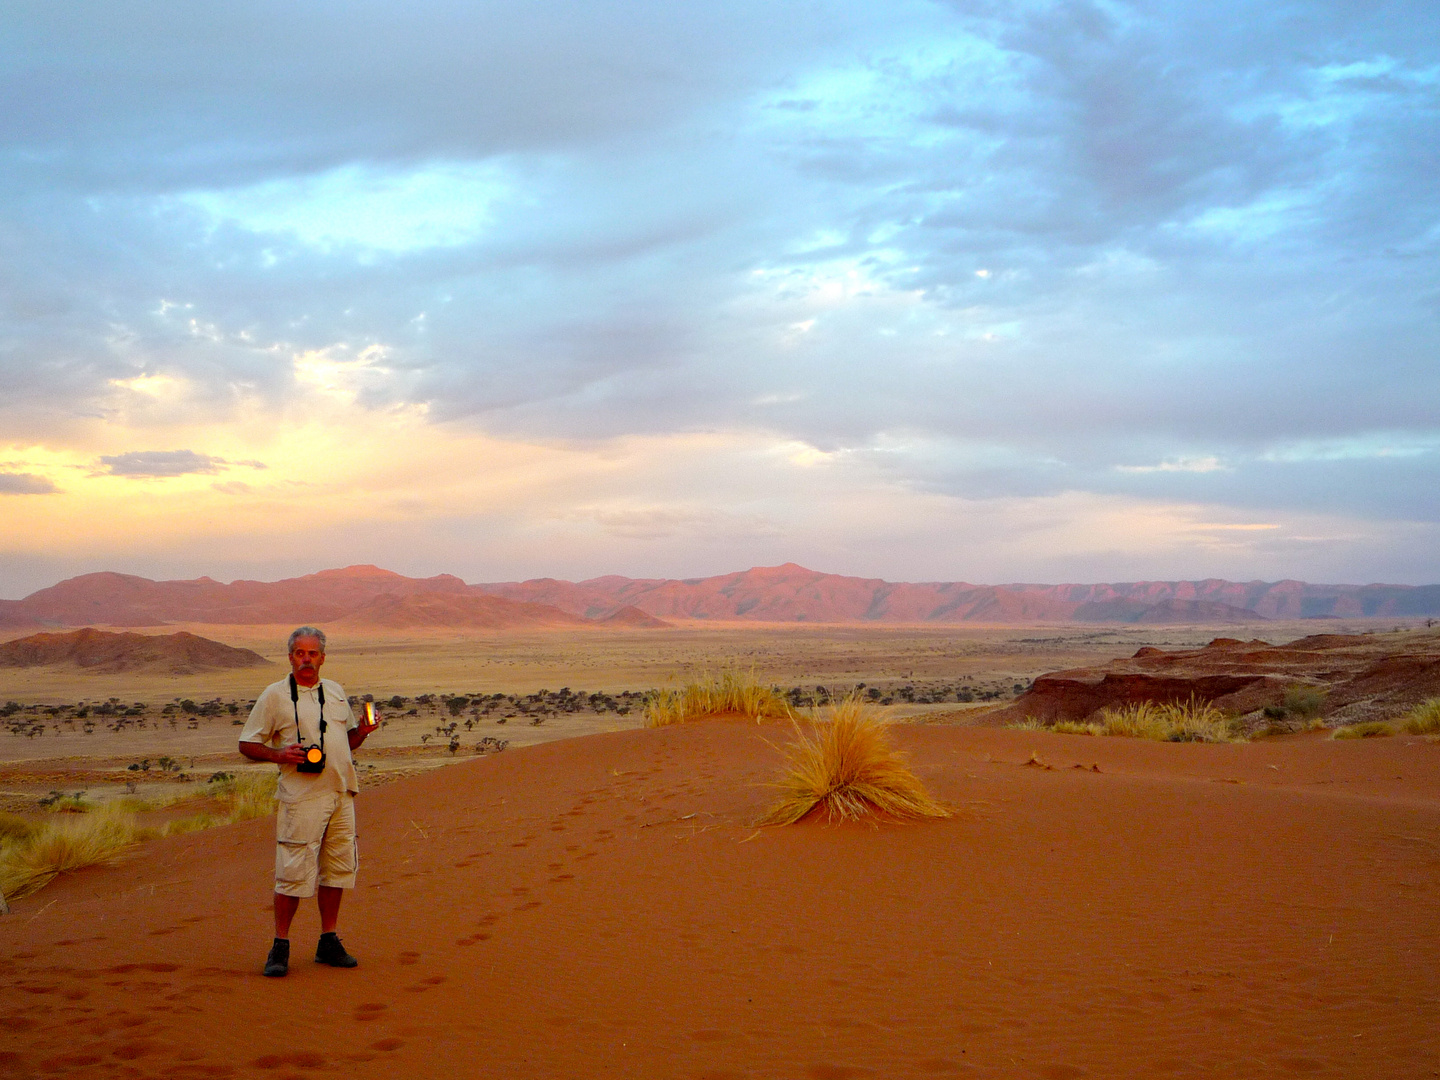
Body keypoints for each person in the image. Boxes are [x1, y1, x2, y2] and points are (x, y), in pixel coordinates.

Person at [239, 626, 378, 977]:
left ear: (323, 658)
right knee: (292, 871)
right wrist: (279, 754)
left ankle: (328, 940)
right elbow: (246, 743)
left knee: (337, 870)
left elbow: (346, 742)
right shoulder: (274, 695)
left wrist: (361, 731)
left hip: (341, 792)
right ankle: (280, 946)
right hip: (301, 798)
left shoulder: (335, 692)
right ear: (290, 657)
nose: (306, 659)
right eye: (300, 653)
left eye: (313, 653)